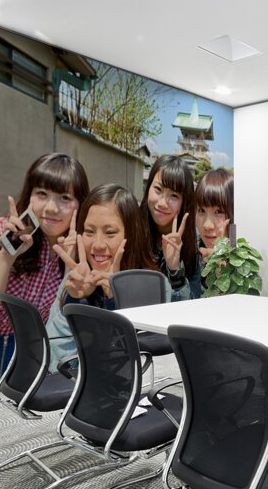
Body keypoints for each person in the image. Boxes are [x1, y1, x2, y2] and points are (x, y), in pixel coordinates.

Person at [0, 153, 89, 386]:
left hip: (40, 358)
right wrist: (7, 255)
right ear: (29, 194)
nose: (51, 208)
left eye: (65, 198)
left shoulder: (79, 250)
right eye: (42, 194)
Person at [45, 183, 156, 371]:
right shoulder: (72, 283)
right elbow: (54, 361)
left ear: (132, 234)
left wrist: (115, 300)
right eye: (89, 231)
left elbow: (140, 365)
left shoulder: (153, 285)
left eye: (110, 232)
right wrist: (76, 301)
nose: (97, 244)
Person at [139, 155, 201, 300]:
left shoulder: (193, 242)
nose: (162, 203)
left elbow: (193, 307)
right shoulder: (132, 229)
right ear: (148, 188)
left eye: (173, 196)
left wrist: (175, 270)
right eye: (158, 189)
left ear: (184, 202)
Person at [195, 168, 233, 259]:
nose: (207, 225)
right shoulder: (194, 259)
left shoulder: (245, 266)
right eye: (201, 210)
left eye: (218, 212)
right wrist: (174, 268)